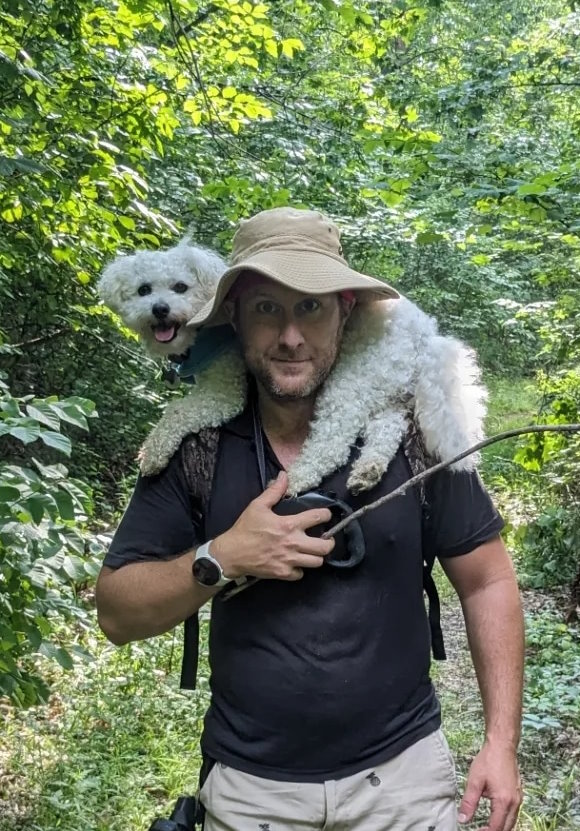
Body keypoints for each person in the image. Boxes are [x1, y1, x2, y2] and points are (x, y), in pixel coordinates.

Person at [96, 207, 524, 831]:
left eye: (312, 308)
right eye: (268, 308)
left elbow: (488, 580)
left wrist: (500, 743)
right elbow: (116, 613)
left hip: (403, 783)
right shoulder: (198, 447)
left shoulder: (412, 436)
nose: (291, 337)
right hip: (251, 794)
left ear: (346, 312)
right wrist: (222, 557)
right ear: (234, 316)